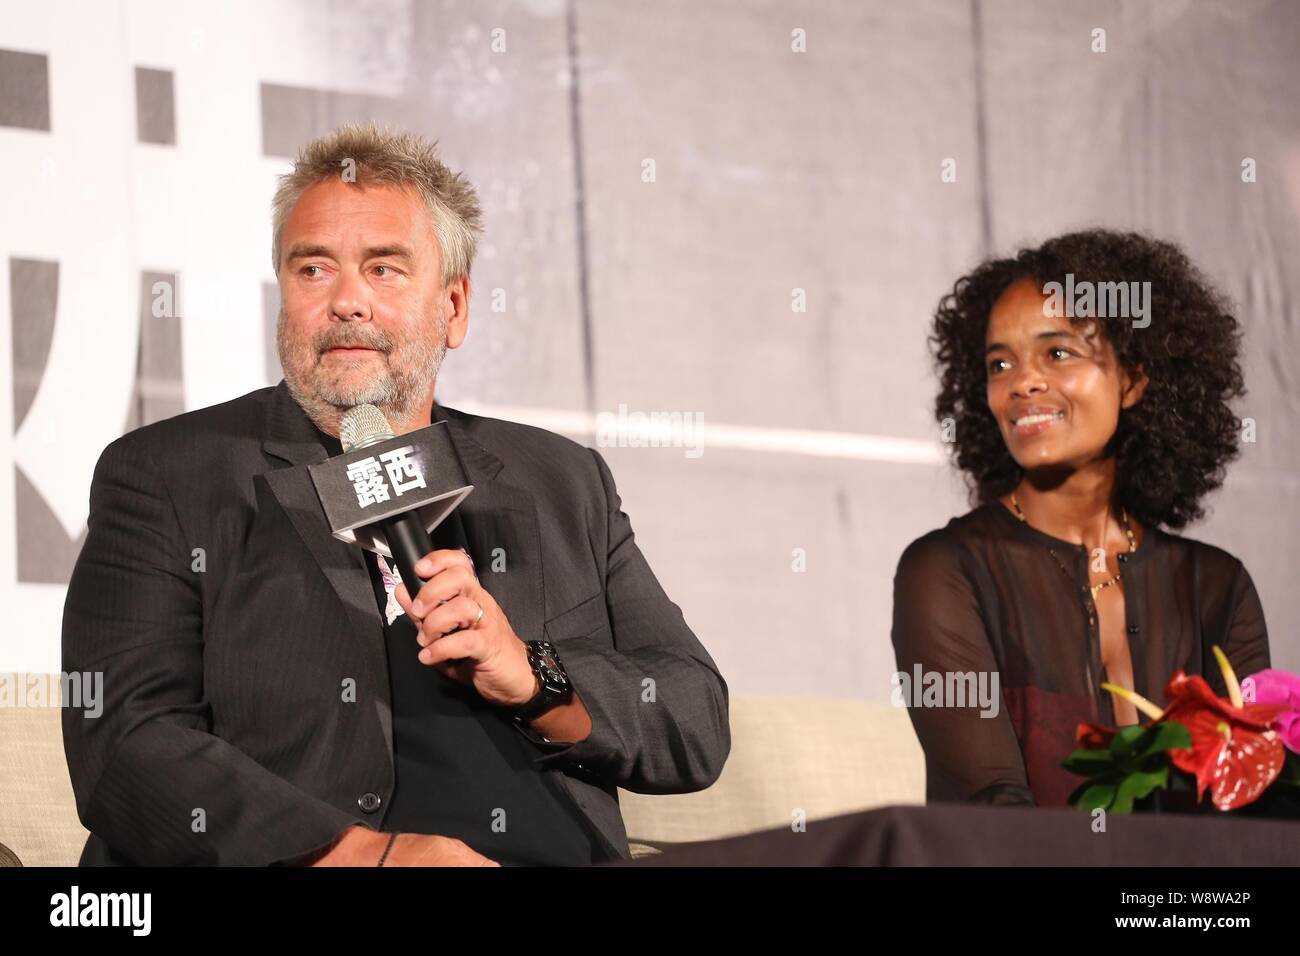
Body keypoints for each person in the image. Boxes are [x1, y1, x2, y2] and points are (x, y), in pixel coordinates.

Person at [62, 123, 730, 866]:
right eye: (313, 269)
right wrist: (367, 858)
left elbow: (694, 720)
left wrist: (534, 676)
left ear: (454, 306)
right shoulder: (170, 472)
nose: (347, 301)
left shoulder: (561, 480)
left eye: (383, 270)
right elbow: (123, 739)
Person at [891, 229, 1269, 807]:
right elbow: (993, 811)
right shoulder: (944, 571)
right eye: (999, 363)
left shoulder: (1218, 587)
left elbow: (1252, 804)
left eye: (1058, 352)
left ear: (1135, 379)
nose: (1023, 383)